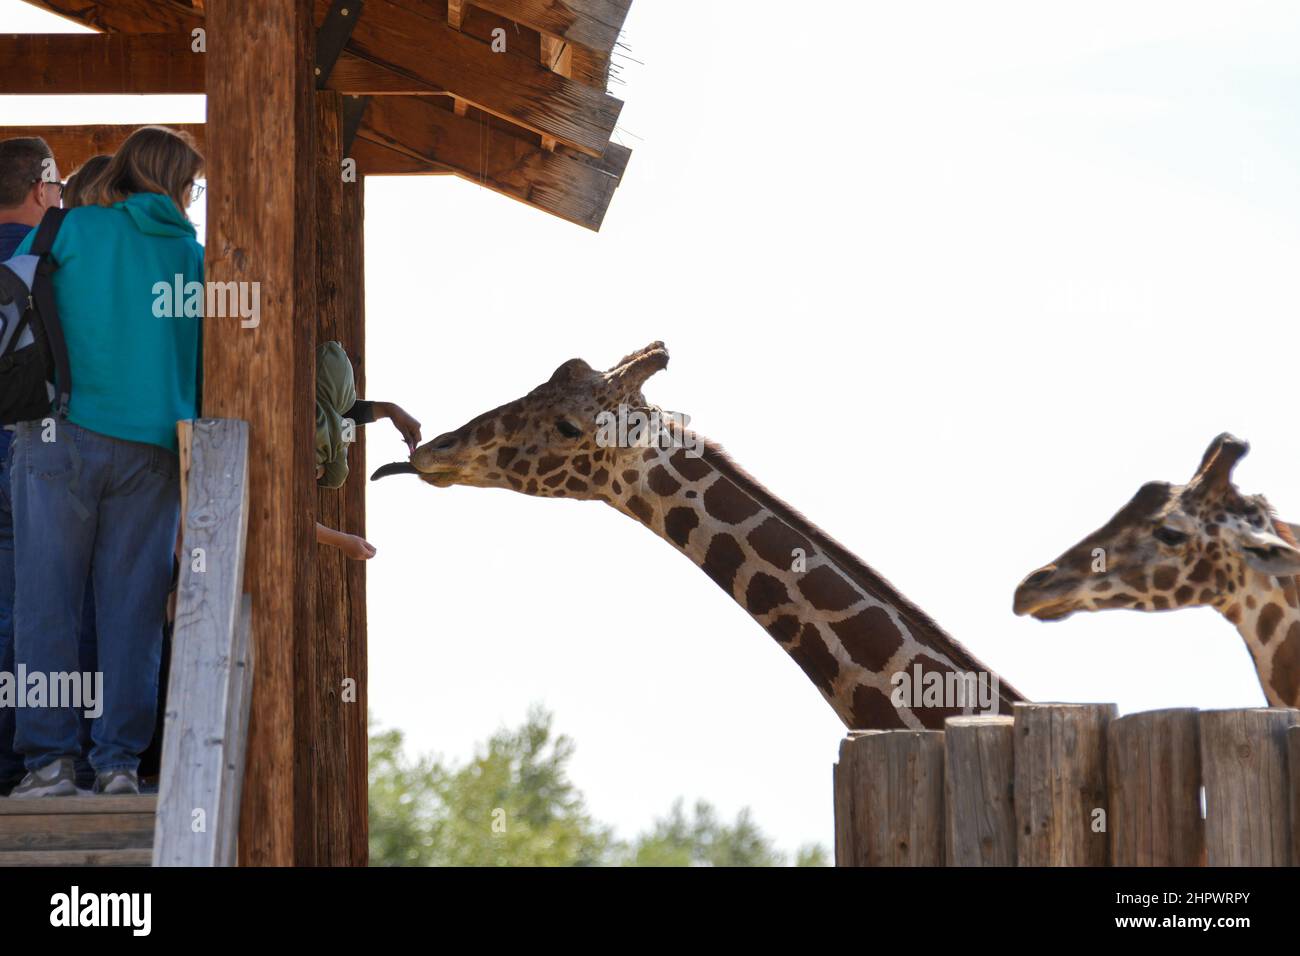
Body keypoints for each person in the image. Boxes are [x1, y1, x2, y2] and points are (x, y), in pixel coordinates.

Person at [7, 126, 203, 798]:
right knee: (134, 615)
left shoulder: (76, 230)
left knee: (47, 607)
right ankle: (120, 764)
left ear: (120, 171)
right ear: (180, 186)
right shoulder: (198, 258)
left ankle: (51, 764)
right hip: (154, 453)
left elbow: (18, 293)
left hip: (62, 435)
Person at [0, 136, 62, 796]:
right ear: (43, 189)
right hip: (37, 458)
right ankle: (35, 760)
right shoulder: (54, 261)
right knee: (43, 611)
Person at [314, 340, 421, 560]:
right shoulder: (314, 436)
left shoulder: (327, 423)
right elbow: (293, 514)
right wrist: (342, 541)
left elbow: (341, 416)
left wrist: (391, 410)